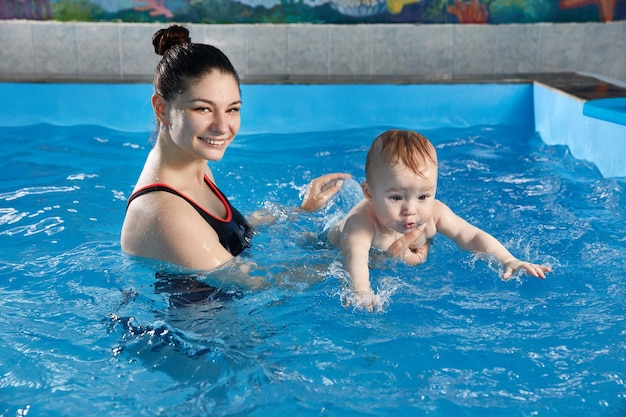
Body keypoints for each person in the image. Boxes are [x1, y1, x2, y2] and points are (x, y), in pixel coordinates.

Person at [120, 25, 348, 278]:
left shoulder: (192, 163)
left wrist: (302, 210)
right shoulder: (164, 211)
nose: (221, 128)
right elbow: (257, 282)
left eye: (232, 109)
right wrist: (362, 261)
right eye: (203, 109)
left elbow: (224, 233)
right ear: (162, 109)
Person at [326, 129, 551, 310]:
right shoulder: (361, 224)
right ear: (369, 194)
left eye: (423, 196)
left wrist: (507, 259)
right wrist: (362, 292)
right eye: (396, 197)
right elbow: (355, 257)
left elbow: (470, 235)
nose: (410, 210)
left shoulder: (434, 213)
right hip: (326, 243)